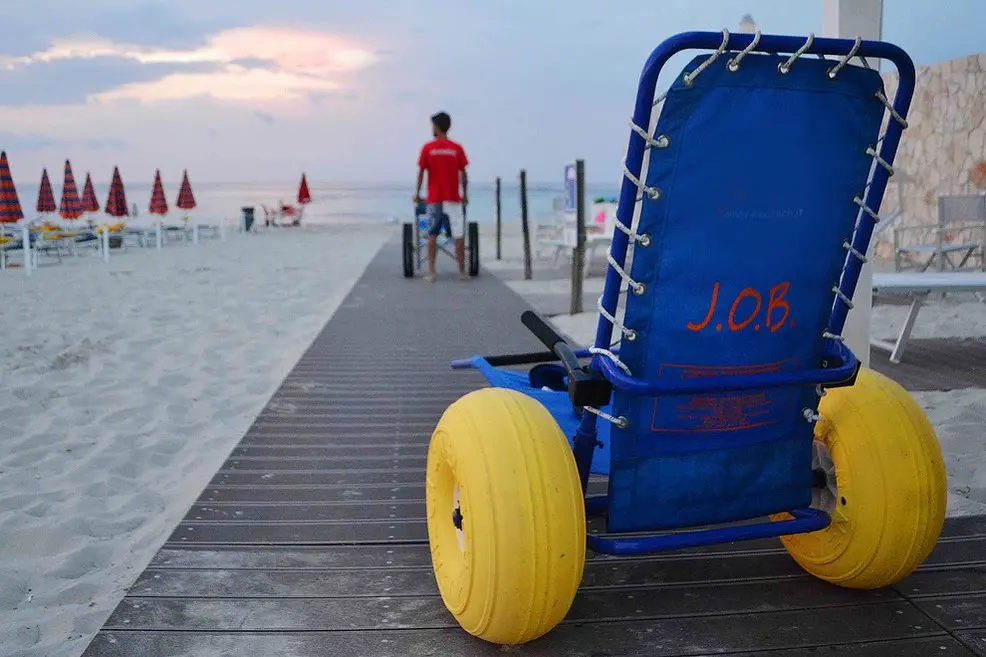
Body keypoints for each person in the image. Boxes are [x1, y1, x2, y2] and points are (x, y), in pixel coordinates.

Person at [413, 111, 469, 281]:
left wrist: (417, 194)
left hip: (434, 198)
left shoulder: (428, 148)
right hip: (453, 198)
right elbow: (463, 174)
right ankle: (461, 272)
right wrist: (464, 194)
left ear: (437, 127)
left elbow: (421, 173)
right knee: (458, 234)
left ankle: (431, 271)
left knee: (432, 234)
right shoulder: (457, 148)